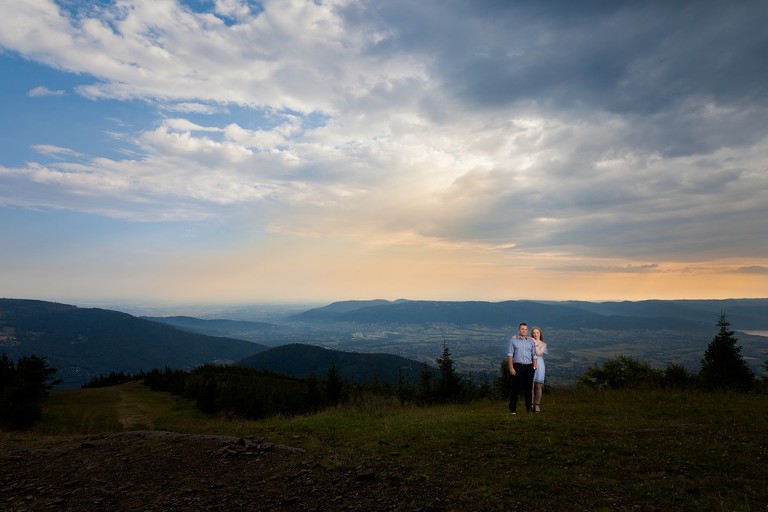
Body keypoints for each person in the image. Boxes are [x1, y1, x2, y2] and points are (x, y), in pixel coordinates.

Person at [507, 322, 537, 414]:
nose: (524, 330)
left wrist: (534, 368)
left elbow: (534, 356)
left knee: (528, 389)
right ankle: (513, 409)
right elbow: (510, 355)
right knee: (515, 388)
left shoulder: (531, 342)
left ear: (527, 331)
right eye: (522, 329)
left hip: (529, 366)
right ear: (519, 330)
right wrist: (511, 368)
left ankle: (529, 408)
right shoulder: (513, 341)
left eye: (525, 329)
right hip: (518, 366)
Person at [531, 326, 548, 413]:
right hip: (530, 363)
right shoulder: (529, 342)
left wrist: (535, 343)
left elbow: (538, 353)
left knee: (538, 386)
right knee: (531, 386)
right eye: (534, 333)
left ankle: (537, 405)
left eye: (537, 332)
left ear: (540, 333)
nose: (535, 334)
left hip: (540, 364)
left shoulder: (543, 344)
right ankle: (530, 404)